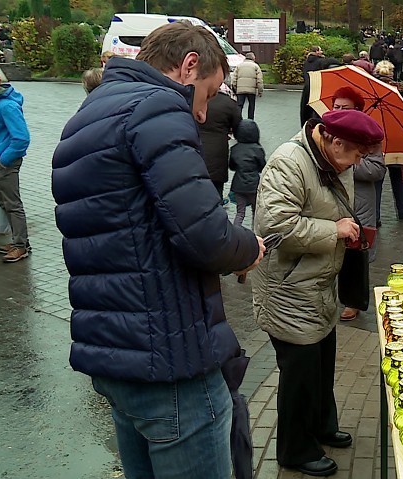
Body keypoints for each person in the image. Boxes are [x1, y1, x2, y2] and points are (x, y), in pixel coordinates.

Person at [51, 22, 265, 478]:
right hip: (170, 359)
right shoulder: (158, 106)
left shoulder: (90, 112)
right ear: (189, 66)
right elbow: (206, 235)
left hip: (116, 356)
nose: (202, 114)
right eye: (207, 94)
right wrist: (248, 248)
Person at [252, 109, 384, 477]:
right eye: (357, 154)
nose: (358, 163)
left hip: (318, 284)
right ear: (335, 142)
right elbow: (275, 227)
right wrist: (334, 230)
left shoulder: (333, 159)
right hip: (288, 288)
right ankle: (295, 450)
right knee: (300, 375)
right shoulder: (288, 163)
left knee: (322, 366)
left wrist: (349, 228)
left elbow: (334, 209)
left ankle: (322, 427)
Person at [330, 86, 387, 320]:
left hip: (359, 204)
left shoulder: (368, 137)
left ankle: (353, 301)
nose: (339, 111)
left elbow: (377, 170)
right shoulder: (327, 132)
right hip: (333, 202)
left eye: (345, 107)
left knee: (355, 256)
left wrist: (347, 162)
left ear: (357, 110)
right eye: (336, 106)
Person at [0, 75, 30, 263]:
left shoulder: (7, 106)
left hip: (5, 163)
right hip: (1, 161)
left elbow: (22, 138)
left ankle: (20, 246)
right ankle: (19, 241)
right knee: (4, 202)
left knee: (12, 204)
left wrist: (3, 160)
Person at [374, 60, 403, 221]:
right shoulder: (402, 91)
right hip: (398, 139)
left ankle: (375, 215)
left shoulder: (372, 90)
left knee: (376, 180)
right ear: (392, 73)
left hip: (376, 140)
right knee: (398, 177)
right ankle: (402, 209)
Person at [199, 83, 242, 199]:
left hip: (194, 154)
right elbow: (239, 128)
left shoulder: (195, 100)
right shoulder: (229, 103)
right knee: (216, 194)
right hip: (218, 155)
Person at [229, 119, 265, 228]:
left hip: (238, 186)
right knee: (255, 212)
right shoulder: (258, 149)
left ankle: (236, 232)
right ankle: (255, 233)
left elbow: (232, 166)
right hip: (253, 186)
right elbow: (262, 167)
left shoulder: (235, 149)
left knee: (240, 213)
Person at [232, 52, 263, 119]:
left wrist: (235, 88)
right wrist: (260, 91)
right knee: (251, 105)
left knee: (239, 105)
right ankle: (250, 119)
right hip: (251, 90)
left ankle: (238, 119)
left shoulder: (239, 66)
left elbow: (234, 79)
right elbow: (259, 80)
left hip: (240, 90)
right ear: (253, 58)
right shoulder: (256, 66)